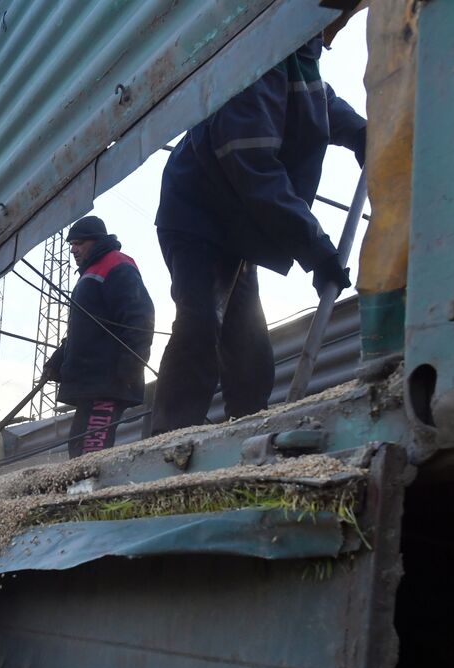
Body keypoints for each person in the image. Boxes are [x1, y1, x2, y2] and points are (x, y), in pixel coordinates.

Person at [148, 35, 367, 436]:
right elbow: (255, 169)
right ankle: (169, 437)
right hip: (198, 213)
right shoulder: (256, 54)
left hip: (238, 224)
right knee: (200, 320)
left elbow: (321, 104)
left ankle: (248, 429)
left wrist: (360, 134)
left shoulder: (299, 55)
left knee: (247, 340)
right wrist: (316, 250)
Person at [42, 215, 155, 458]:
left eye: (79, 243)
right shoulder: (89, 274)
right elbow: (84, 331)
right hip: (92, 384)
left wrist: (130, 367)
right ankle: (84, 495)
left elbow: (140, 317)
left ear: (97, 241)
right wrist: (58, 361)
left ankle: (91, 495)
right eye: (71, 244)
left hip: (108, 381)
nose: (73, 249)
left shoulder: (116, 265)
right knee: (79, 451)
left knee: (90, 456)